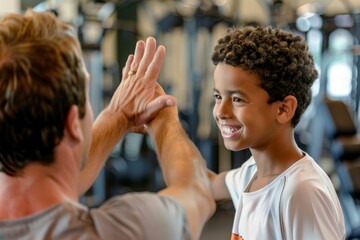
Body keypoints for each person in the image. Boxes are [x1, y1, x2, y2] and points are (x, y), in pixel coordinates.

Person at [0, 10, 215, 240]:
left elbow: (53, 181)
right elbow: (197, 192)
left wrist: (119, 114)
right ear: (73, 123)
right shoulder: (125, 230)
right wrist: (165, 118)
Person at [208, 26, 346, 239]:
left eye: (237, 99)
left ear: (283, 109)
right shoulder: (251, 172)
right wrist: (162, 117)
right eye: (218, 97)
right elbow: (204, 184)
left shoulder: (301, 192)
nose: (221, 112)